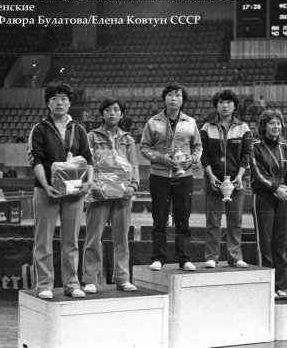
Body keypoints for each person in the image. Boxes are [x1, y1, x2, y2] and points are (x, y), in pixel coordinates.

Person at [27, 81, 94, 299]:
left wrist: (89, 182)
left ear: (70, 103)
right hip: (45, 191)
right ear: (48, 103)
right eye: (55, 98)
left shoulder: (79, 129)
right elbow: (35, 159)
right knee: (43, 239)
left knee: (71, 241)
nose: (59, 102)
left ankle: (72, 284)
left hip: (74, 192)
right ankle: (44, 285)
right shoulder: (39, 129)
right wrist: (46, 185)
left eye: (64, 99)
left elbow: (89, 159)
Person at [140, 82, 202, 272]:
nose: (174, 99)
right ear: (164, 98)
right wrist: (162, 158)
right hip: (159, 175)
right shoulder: (153, 122)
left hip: (184, 176)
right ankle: (158, 257)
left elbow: (197, 147)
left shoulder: (190, 122)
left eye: (178, 95)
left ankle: (184, 258)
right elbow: (144, 147)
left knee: (183, 217)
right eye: (170, 95)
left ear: (183, 100)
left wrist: (192, 159)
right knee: (159, 217)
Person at [83, 98, 139, 294]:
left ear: (121, 114)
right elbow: (87, 163)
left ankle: (122, 279)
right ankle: (90, 279)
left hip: (122, 196)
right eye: (108, 110)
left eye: (116, 110)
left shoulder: (128, 139)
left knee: (121, 238)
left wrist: (133, 186)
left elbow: (134, 165)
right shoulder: (91, 136)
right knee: (93, 238)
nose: (112, 113)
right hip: (98, 194)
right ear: (103, 114)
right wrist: (94, 186)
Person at [200, 90, 253, 269]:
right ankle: (211, 257)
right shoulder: (207, 127)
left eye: (229, 102)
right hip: (213, 180)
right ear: (216, 105)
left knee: (235, 221)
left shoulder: (243, 128)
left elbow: (247, 154)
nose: (225, 106)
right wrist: (211, 175)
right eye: (221, 102)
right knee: (213, 221)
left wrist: (239, 175)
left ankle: (235, 256)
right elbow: (203, 154)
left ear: (235, 106)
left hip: (237, 181)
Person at [250, 109, 287, 300]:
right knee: (265, 243)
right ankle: (266, 285)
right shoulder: (256, 147)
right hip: (264, 197)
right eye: (272, 123)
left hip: (283, 198)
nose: (276, 127)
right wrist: (276, 188)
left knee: (280, 243)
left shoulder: (286, 148)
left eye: (278, 123)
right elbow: (259, 174)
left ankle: (279, 285)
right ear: (264, 126)